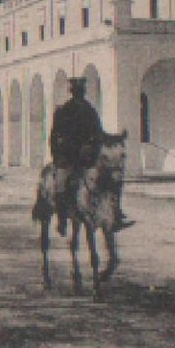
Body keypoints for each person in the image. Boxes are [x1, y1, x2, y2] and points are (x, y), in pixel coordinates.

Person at [49, 77, 134, 234]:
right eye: (77, 91)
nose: (80, 93)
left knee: (112, 181)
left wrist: (116, 138)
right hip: (68, 159)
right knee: (61, 184)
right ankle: (62, 219)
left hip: (89, 159)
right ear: (72, 92)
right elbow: (54, 136)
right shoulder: (63, 111)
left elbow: (100, 133)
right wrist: (57, 156)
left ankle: (115, 215)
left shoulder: (90, 110)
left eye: (81, 91)